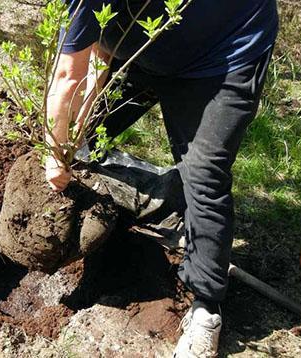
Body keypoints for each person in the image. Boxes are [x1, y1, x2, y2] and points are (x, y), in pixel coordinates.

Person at [44, 0, 278, 356]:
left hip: (224, 51)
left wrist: (51, 154)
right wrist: (65, 145)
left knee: (204, 173)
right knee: (83, 133)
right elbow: (90, 61)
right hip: (149, 42)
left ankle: (206, 308)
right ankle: (158, 201)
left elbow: (66, 77)